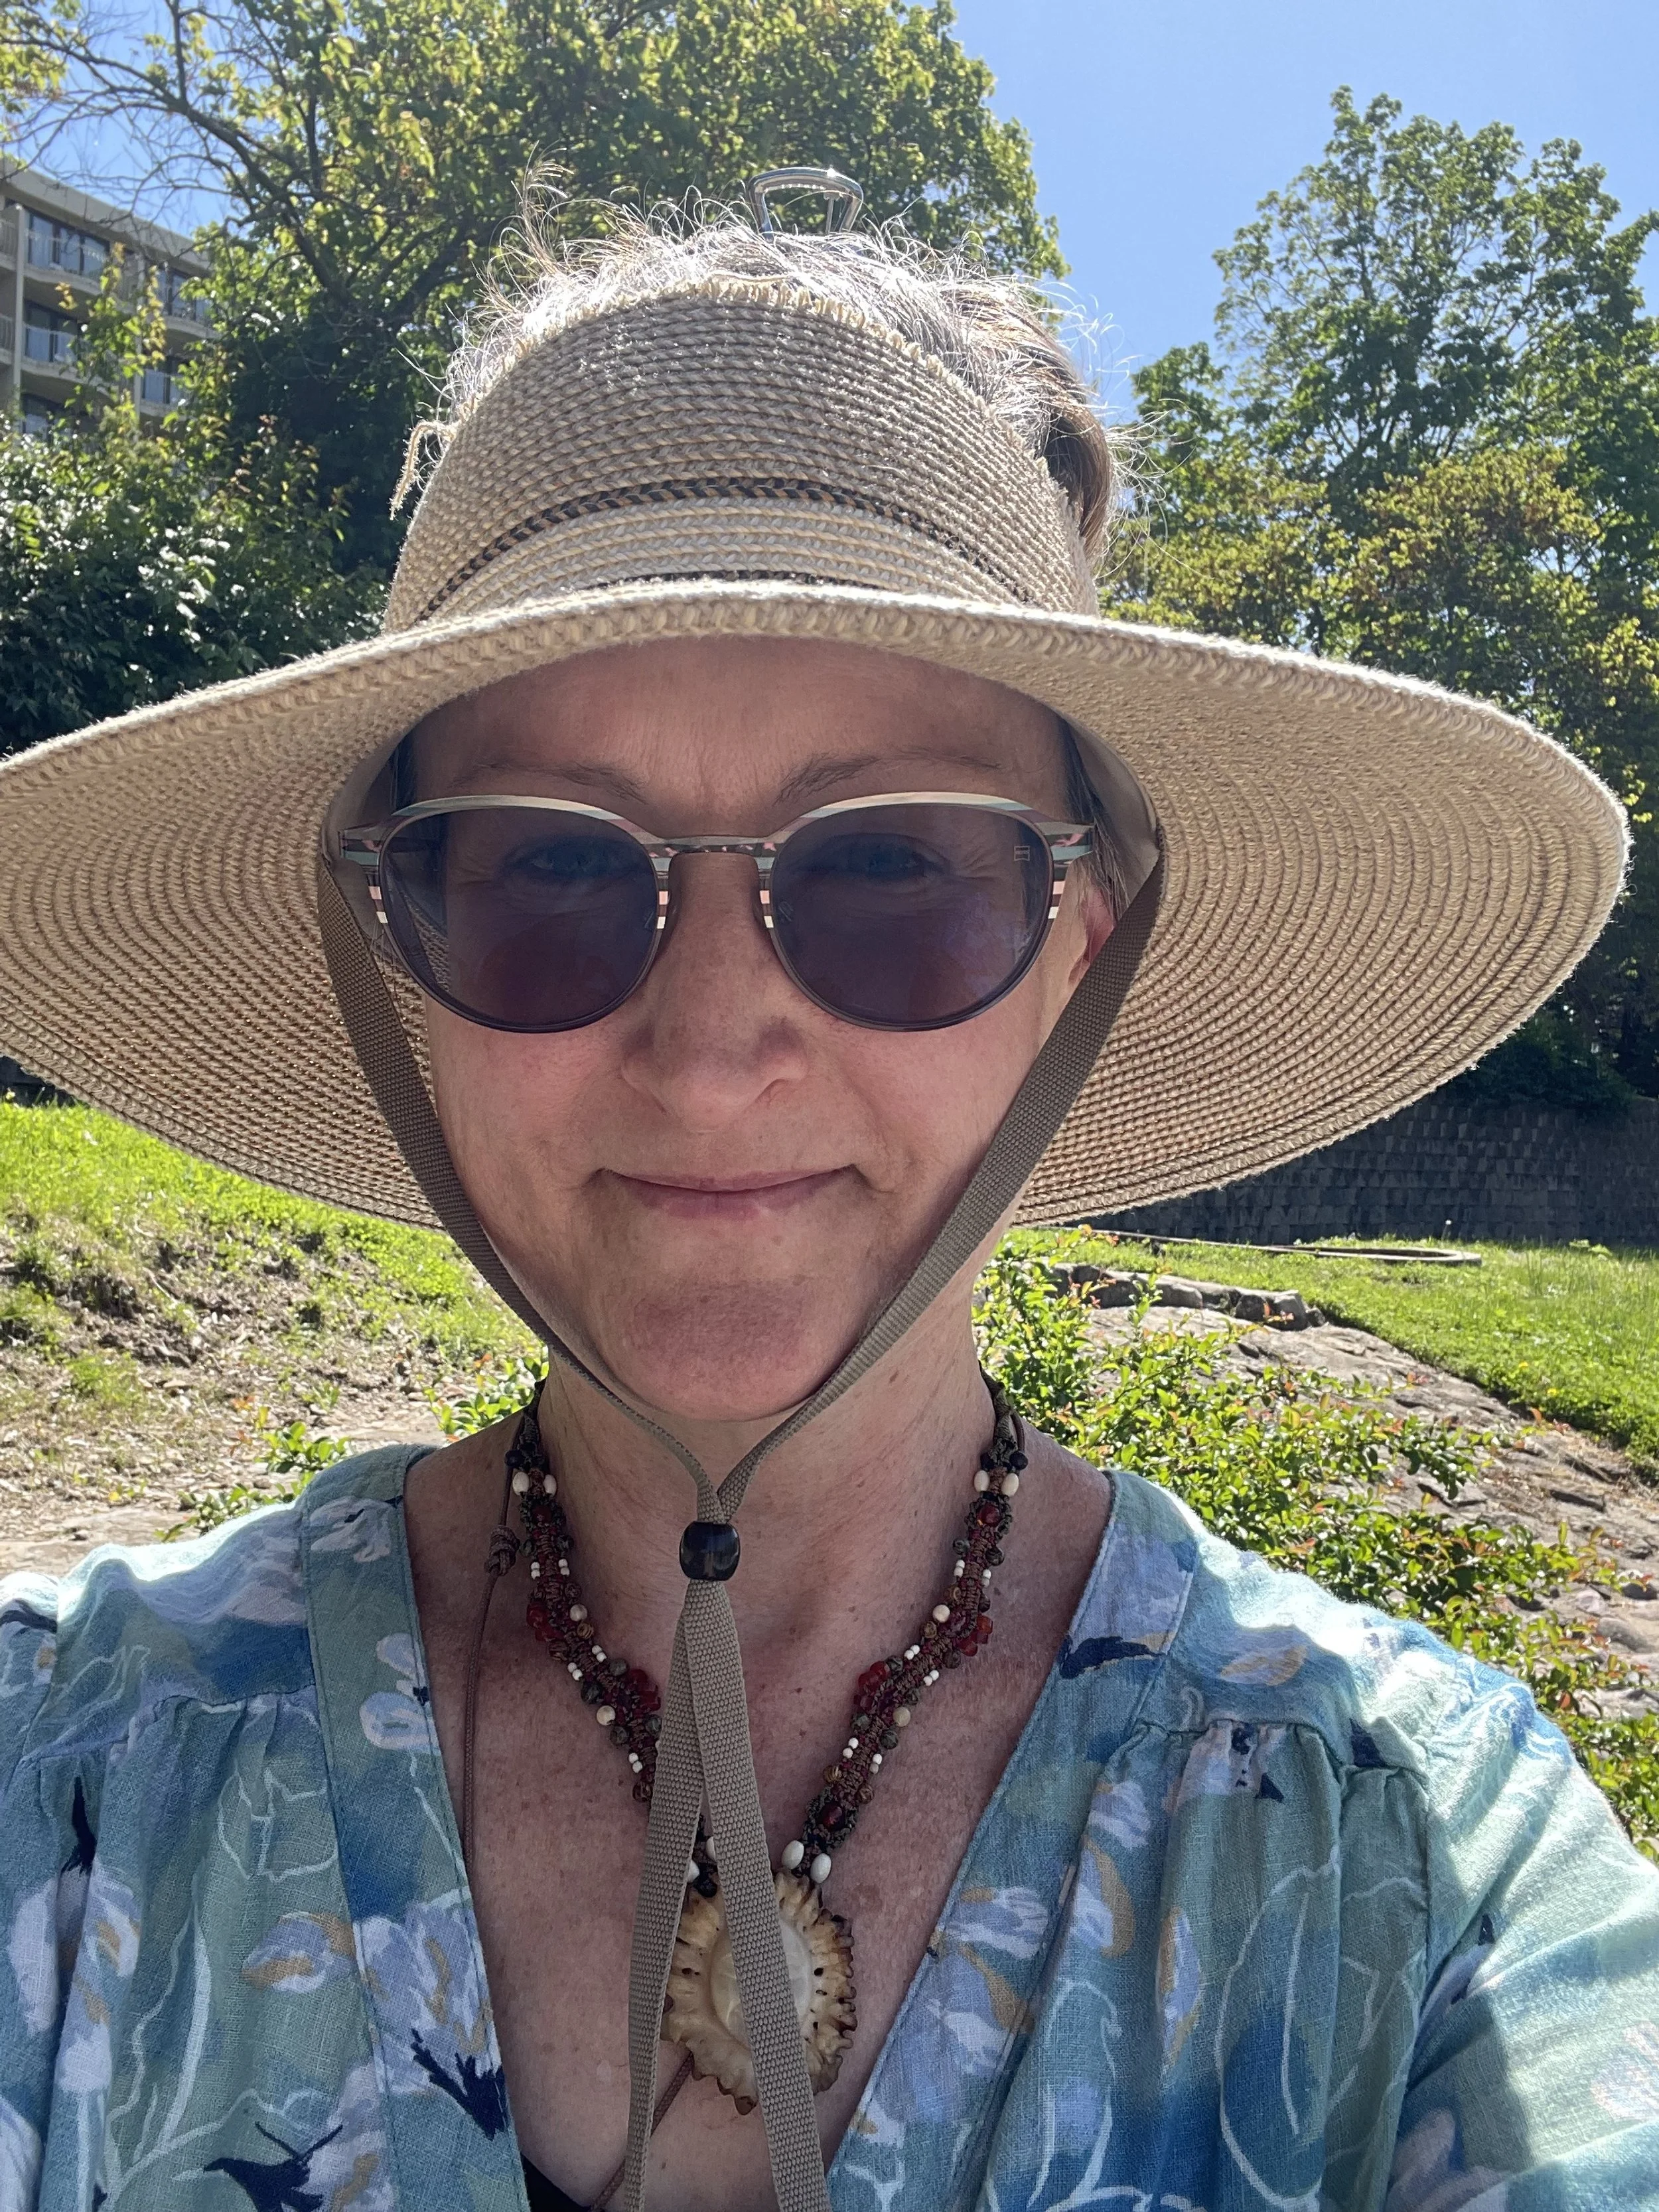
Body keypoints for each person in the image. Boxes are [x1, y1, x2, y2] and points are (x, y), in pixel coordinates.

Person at [0, 174, 1652, 2212]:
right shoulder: (58, 1775)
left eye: (888, 870)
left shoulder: (1420, 1863)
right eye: (547, 865)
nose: (710, 1050)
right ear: (390, 950)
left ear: (1078, 946)